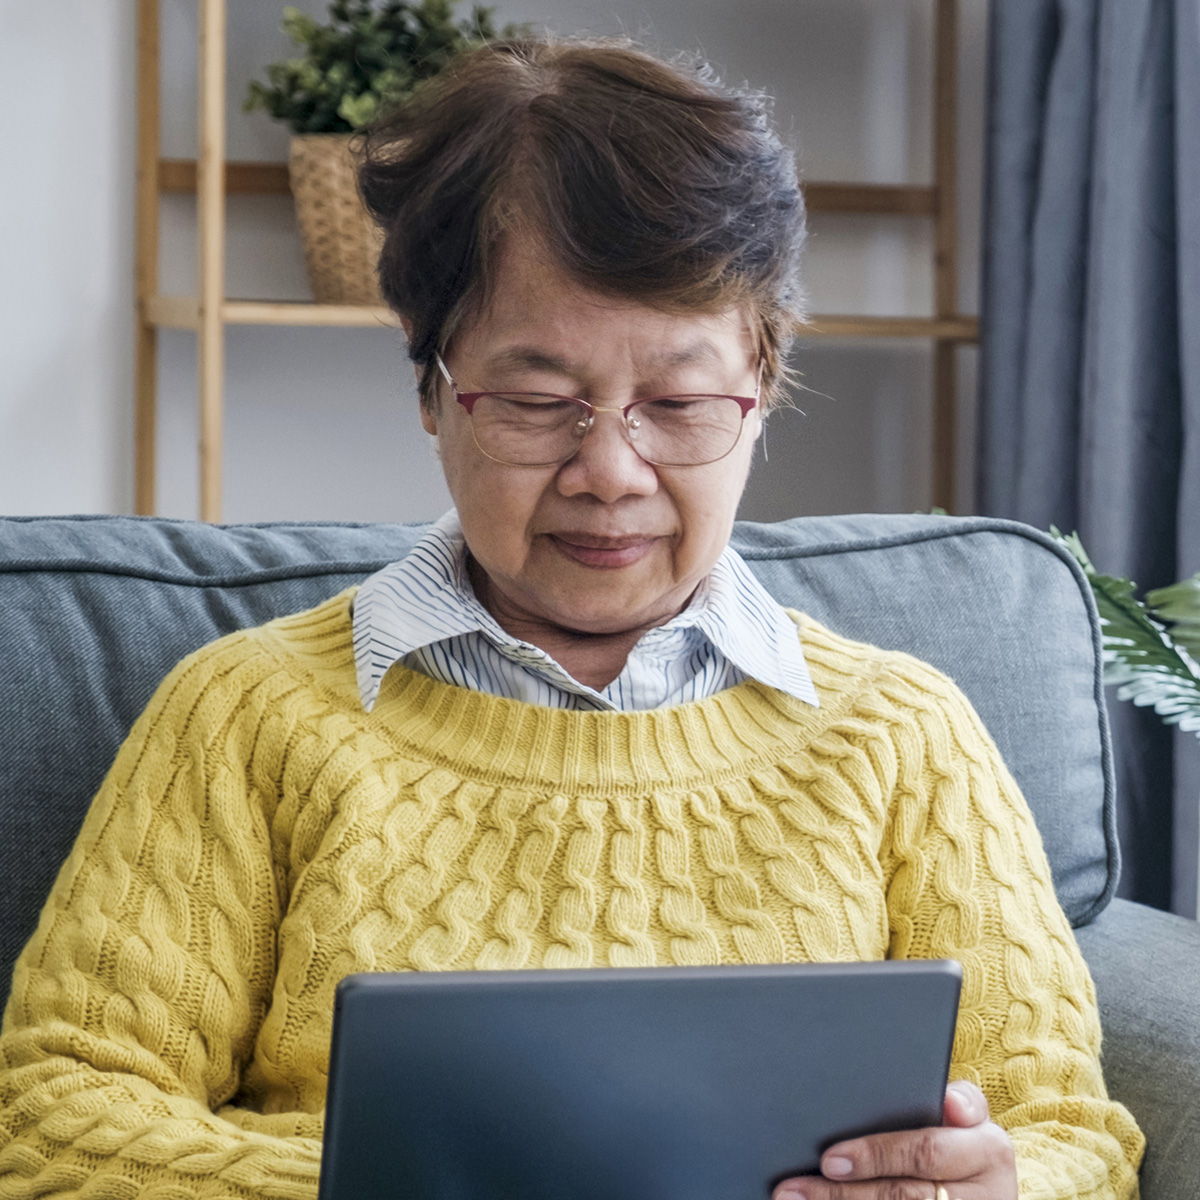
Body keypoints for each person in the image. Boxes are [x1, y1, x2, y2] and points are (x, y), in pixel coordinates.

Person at [0, 36, 1142, 1200]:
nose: (611, 471)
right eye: (541, 402)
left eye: (680, 403)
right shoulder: (248, 717)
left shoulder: (905, 739)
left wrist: (991, 1187)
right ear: (432, 391)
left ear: (765, 389)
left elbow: (1068, 1133)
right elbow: (57, 1120)